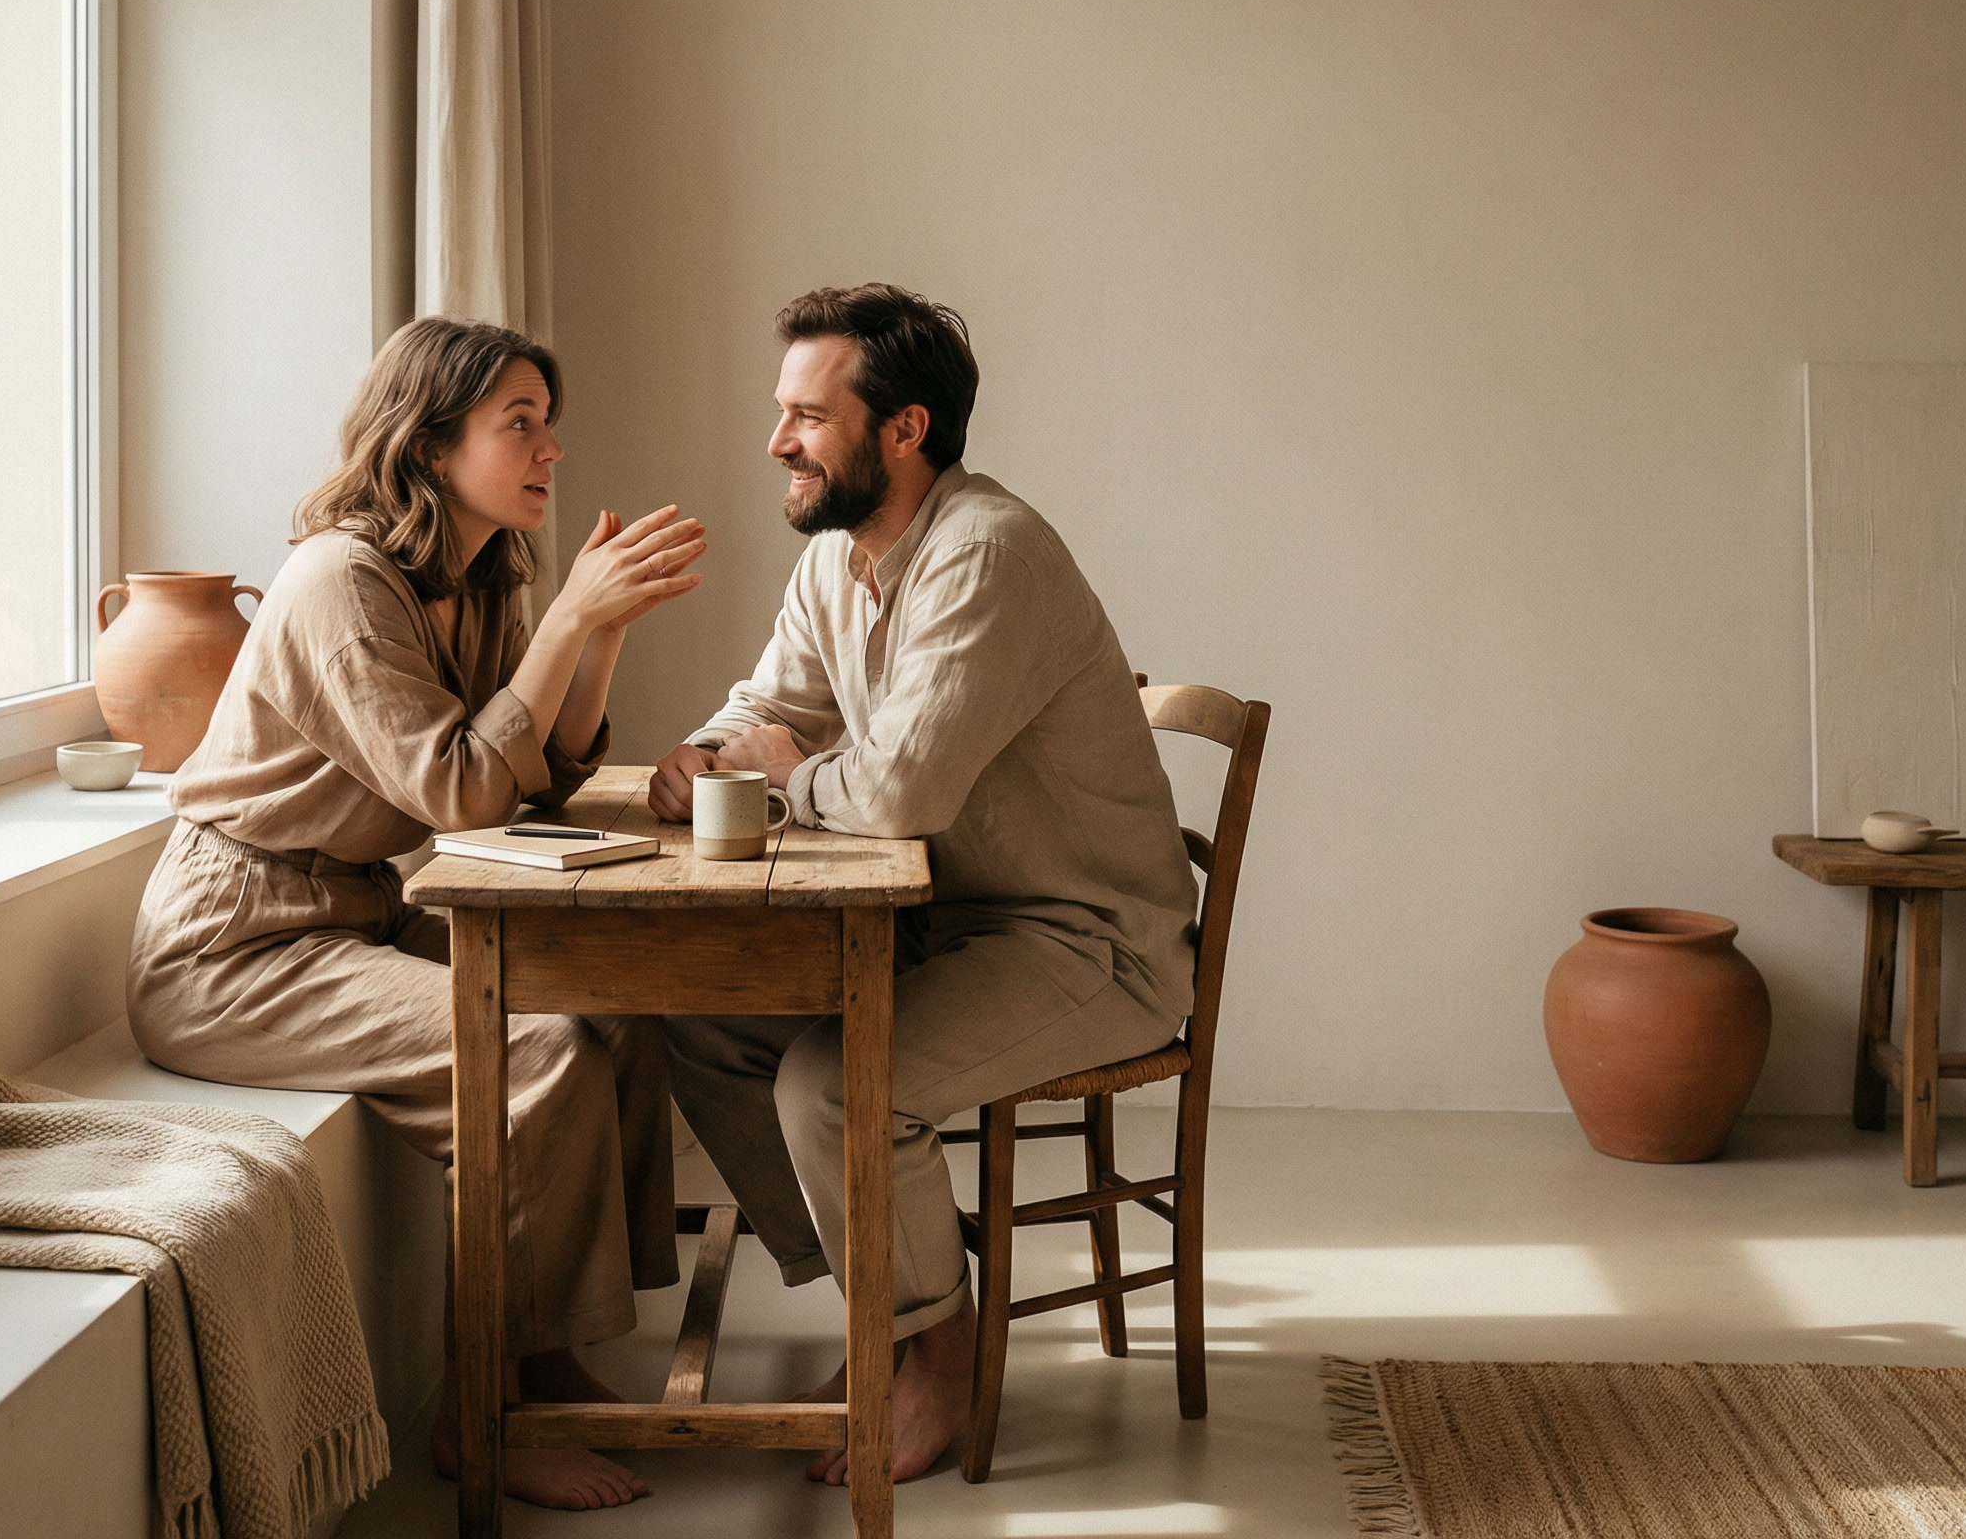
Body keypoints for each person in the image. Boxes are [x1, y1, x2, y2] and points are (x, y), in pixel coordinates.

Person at [128, 316, 706, 1514]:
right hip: (233, 941)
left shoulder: (484, 572)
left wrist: (592, 630)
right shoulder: (341, 579)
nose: (551, 448)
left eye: (550, 422)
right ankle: (478, 1414)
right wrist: (563, 626)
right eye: (520, 424)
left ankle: (545, 1349)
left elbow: (530, 772)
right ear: (432, 443)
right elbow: (452, 789)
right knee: (533, 1051)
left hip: (348, 913)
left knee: (607, 1004)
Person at [650, 284, 1197, 1486]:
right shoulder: (840, 558)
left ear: (902, 429)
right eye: (780, 411)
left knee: (832, 1086)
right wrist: (704, 750)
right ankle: (879, 1318)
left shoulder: (985, 551)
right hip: (944, 926)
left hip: (1088, 941)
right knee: (695, 1014)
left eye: (806, 413)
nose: (776, 440)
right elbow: (771, 707)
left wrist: (782, 777)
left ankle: (938, 1351)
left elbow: (894, 795)